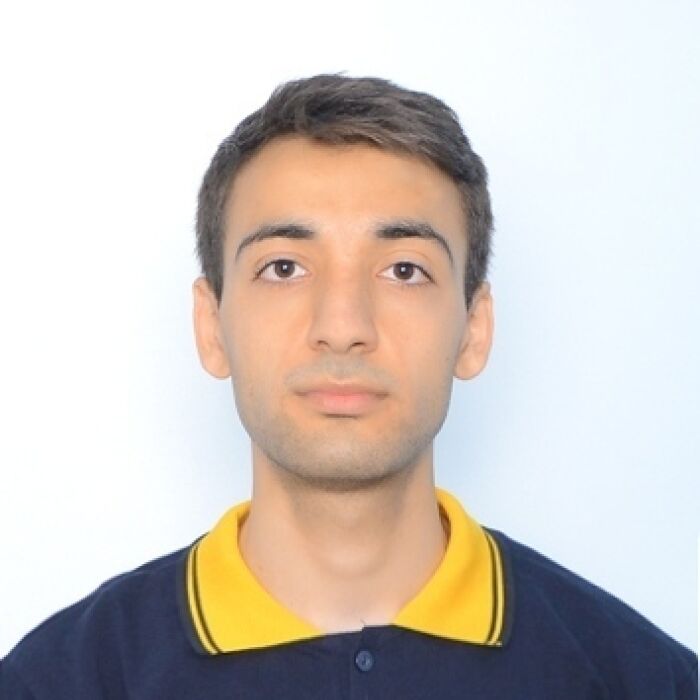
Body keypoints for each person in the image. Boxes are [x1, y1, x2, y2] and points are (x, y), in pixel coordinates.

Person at [0, 73, 696, 699]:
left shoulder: (644, 681)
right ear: (211, 327)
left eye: (403, 270)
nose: (342, 327)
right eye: (283, 268)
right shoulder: (60, 682)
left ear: (474, 329)